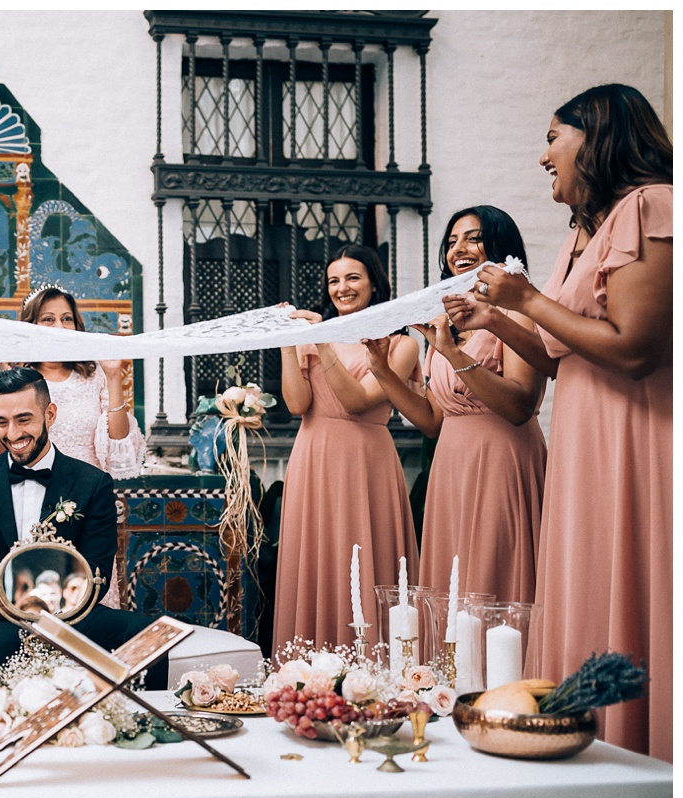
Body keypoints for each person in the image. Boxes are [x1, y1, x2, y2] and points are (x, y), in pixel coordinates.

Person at [457, 84, 671, 761]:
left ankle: (649, 746)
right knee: (584, 582)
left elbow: (634, 348)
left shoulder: (653, 205)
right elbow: (554, 352)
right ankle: (590, 741)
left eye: (554, 137)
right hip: (582, 431)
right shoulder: (586, 231)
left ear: (597, 135)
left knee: (631, 579)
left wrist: (525, 299)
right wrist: (496, 319)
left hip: (631, 433)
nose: (543, 154)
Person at [0, 367, 168, 688]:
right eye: (1, 421)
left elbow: (96, 571)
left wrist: (38, 607)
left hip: (71, 615)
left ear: (50, 414)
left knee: (150, 637)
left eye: (23, 419)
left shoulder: (92, 483)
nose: (12, 434)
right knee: (1, 644)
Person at [364, 206, 546, 603]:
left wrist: (452, 352)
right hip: (450, 467)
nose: (458, 248)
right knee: (453, 586)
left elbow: (520, 406)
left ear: (501, 245)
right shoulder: (446, 321)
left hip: (500, 461)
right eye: (451, 241)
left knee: (493, 584)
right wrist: (382, 370)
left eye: (473, 238)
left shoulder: (517, 312)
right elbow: (432, 420)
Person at [272, 245, 421, 651]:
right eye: (334, 280)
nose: (342, 288)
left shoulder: (399, 345)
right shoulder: (309, 338)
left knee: (366, 555)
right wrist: (289, 344)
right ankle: (312, 666)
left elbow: (357, 401)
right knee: (319, 561)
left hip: (366, 461)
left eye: (353, 278)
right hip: (314, 456)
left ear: (375, 282)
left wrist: (322, 341)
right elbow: (297, 404)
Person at [0, 285, 146, 480]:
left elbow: (118, 437)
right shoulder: (22, 378)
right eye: (48, 319)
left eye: (67, 319)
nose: (60, 327)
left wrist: (113, 376)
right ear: (31, 326)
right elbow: (5, 450)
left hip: (87, 488)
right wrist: (10, 381)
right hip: (35, 486)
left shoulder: (95, 375)